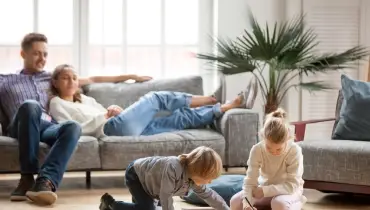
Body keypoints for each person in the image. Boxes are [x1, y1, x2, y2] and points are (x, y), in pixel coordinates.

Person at [0, 33, 152, 205]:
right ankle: (27, 177)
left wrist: (132, 76)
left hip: (46, 125)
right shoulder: (5, 80)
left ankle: (45, 182)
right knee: (31, 106)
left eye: (45, 54)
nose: (42, 58)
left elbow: (93, 79)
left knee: (72, 126)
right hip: (20, 125)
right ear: (23, 54)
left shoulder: (50, 78)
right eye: (36, 53)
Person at [48, 64, 249, 137]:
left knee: (179, 119)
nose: (71, 81)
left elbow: (103, 110)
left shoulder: (85, 99)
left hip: (122, 126)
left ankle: (221, 107)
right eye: (65, 77)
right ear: (55, 82)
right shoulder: (57, 103)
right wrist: (104, 116)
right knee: (156, 97)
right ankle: (210, 99)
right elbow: (70, 128)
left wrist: (112, 108)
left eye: (74, 77)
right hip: (111, 129)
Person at [99, 146, 230, 210]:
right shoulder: (173, 167)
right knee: (147, 209)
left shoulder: (193, 178)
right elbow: (166, 196)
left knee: (149, 207)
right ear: (198, 172)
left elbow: (209, 195)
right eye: (208, 178)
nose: (210, 182)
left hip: (152, 183)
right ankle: (110, 204)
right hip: (137, 175)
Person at [230, 108, 306, 210]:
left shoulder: (294, 150)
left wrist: (265, 191)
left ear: (288, 139)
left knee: (278, 204)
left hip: (289, 191)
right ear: (263, 138)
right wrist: (247, 205)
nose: (274, 152)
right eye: (269, 147)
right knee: (235, 202)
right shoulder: (257, 149)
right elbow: (250, 182)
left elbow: (292, 185)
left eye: (279, 149)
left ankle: (299, 201)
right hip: (264, 188)